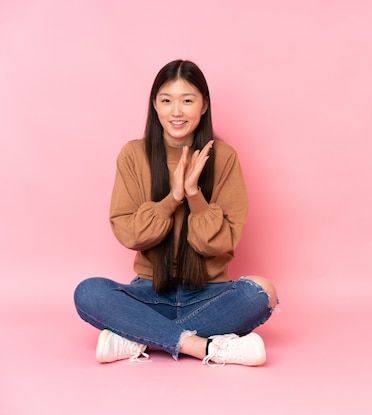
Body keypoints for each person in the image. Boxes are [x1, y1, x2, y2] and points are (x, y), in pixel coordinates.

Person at [74, 59, 278, 367]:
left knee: (262, 292)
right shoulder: (133, 155)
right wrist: (173, 198)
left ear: (204, 105)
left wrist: (194, 195)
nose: (176, 111)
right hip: (150, 293)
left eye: (187, 100)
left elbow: (218, 243)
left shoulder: (224, 157)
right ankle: (203, 346)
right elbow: (130, 233)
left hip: (210, 295)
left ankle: (137, 337)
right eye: (167, 100)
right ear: (155, 105)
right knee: (88, 292)